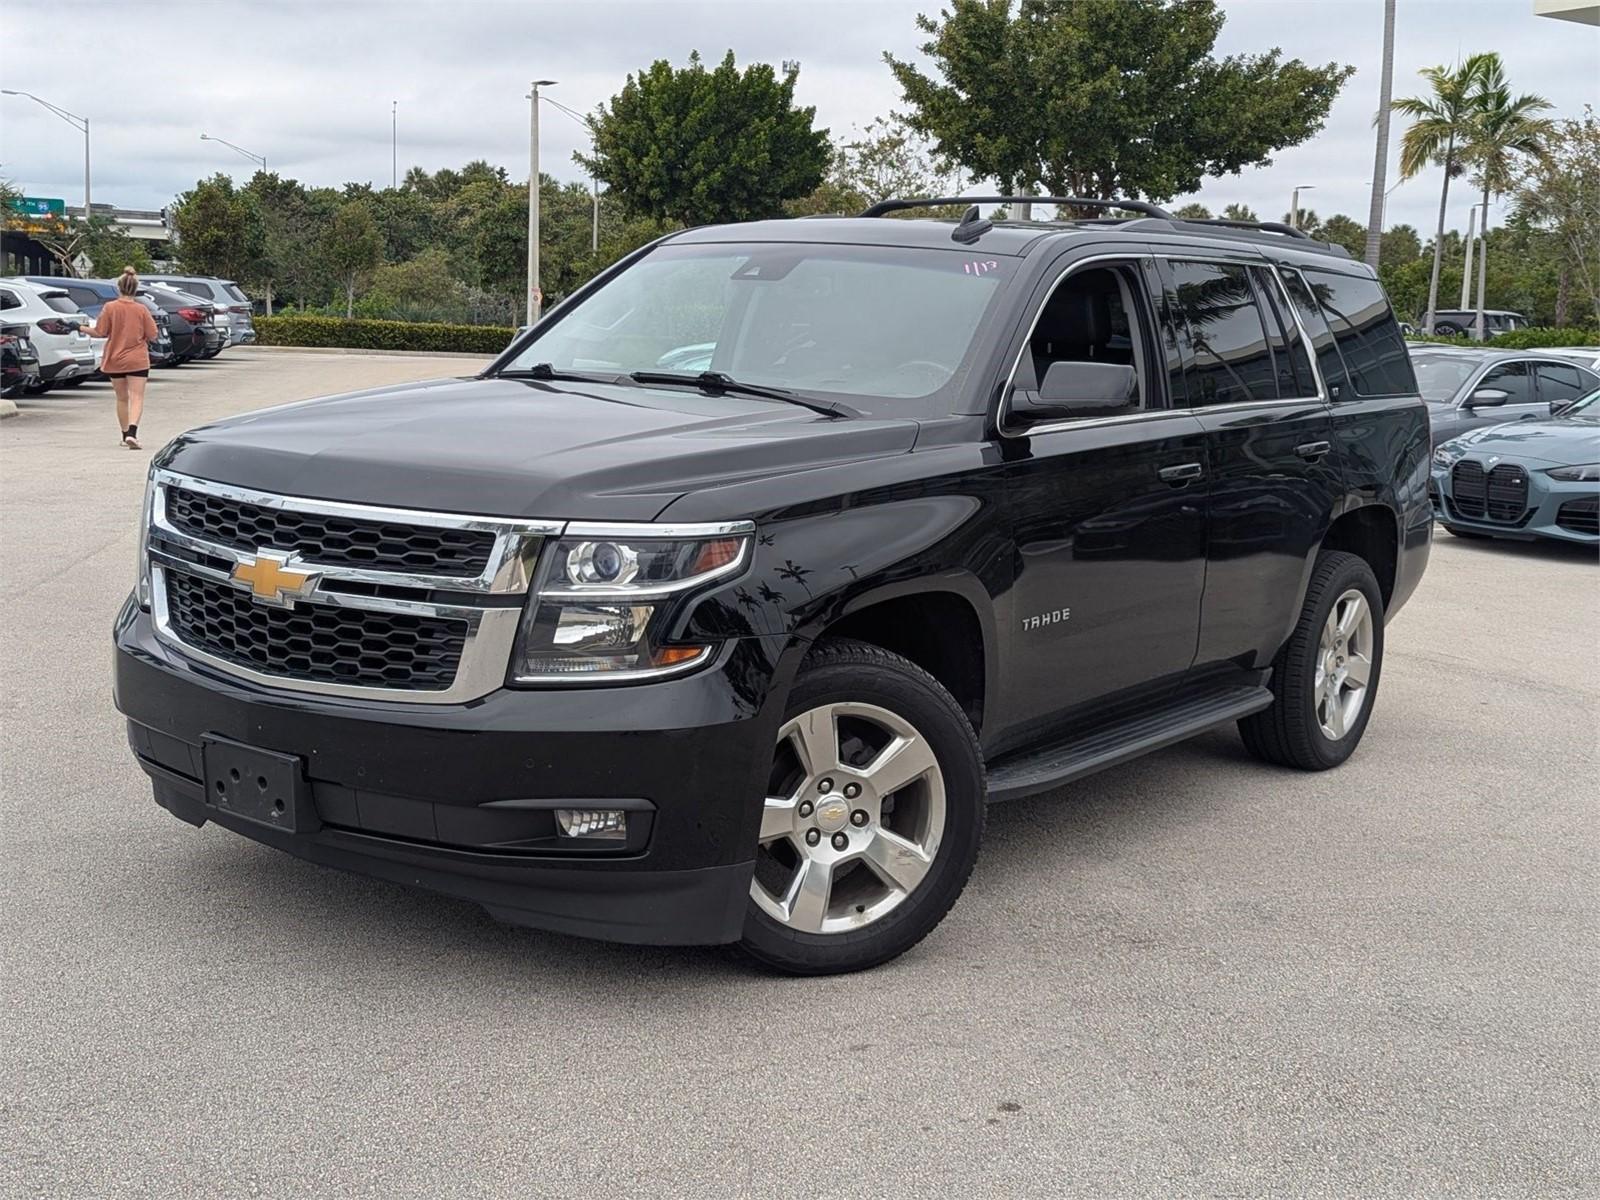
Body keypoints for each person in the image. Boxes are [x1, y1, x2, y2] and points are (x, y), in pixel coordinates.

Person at [82, 266, 159, 449]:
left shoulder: (110, 308)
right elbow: (153, 333)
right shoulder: (141, 309)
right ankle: (133, 432)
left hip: (115, 359)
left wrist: (78, 328)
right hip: (137, 359)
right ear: (135, 288)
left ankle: (125, 435)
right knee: (137, 397)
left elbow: (100, 332)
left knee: (121, 398)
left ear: (119, 288)